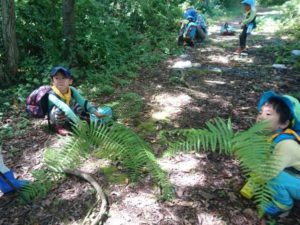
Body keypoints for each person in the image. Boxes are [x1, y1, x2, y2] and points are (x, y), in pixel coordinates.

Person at [241, 91, 300, 219]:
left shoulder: (287, 144)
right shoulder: (271, 136)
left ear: (283, 124)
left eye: (268, 114)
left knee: (273, 176)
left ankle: (283, 206)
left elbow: (269, 172)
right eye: (260, 112)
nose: (261, 117)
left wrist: (253, 174)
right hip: (294, 176)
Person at [48, 66, 111, 135]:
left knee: (79, 104)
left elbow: (83, 102)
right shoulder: (52, 95)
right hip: (56, 116)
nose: (60, 81)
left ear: (70, 81)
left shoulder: (71, 90)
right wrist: (79, 123)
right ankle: (59, 127)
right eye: (57, 78)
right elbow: (64, 108)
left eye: (63, 78)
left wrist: (96, 113)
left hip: (69, 113)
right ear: (53, 82)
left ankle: (82, 118)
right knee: (59, 110)